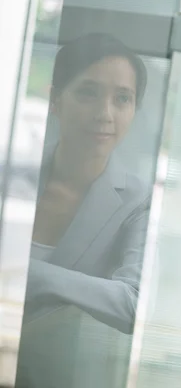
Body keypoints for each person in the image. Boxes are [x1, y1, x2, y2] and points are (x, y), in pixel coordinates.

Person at [15, 33, 152, 388]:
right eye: (88, 93)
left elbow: (133, 304)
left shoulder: (138, 201)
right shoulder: (11, 176)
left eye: (122, 98)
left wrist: (29, 273)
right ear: (56, 100)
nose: (104, 114)